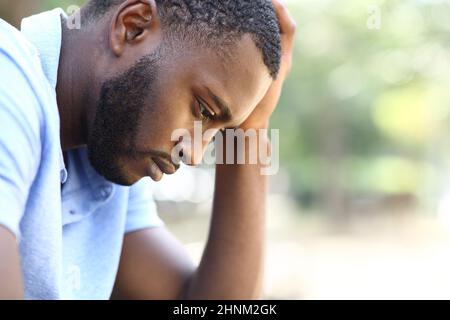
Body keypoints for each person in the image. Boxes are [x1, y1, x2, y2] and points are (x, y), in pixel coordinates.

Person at [0, 0, 296, 299]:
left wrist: (250, 129)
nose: (194, 155)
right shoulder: (7, 75)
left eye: (220, 132)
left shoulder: (108, 147)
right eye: (203, 111)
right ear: (133, 27)